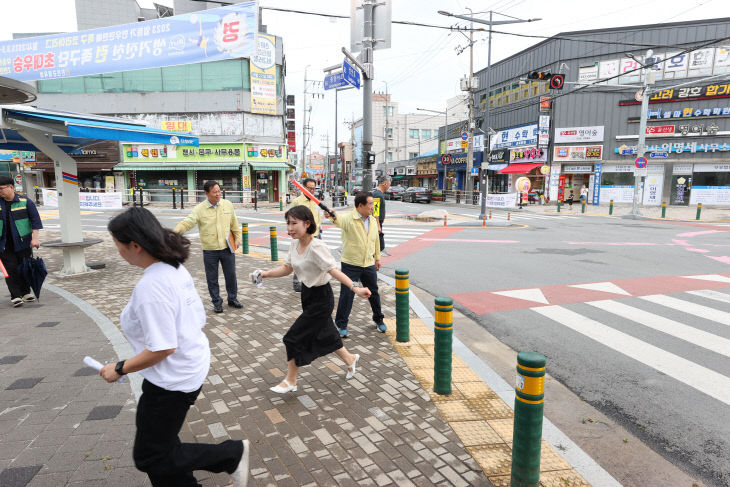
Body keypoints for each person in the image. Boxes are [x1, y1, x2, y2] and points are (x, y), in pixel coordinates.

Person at [100, 207, 249, 487]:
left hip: (172, 378)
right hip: (187, 365)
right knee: (162, 449)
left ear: (135, 245)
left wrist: (120, 368)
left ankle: (231, 455)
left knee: (150, 456)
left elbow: (162, 348)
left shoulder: (152, 286)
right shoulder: (171, 266)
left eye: (118, 245)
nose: (118, 251)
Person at [257, 205, 369, 393]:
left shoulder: (317, 247)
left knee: (292, 338)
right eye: (288, 223)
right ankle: (350, 359)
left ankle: (291, 380)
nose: (290, 228)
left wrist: (355, 288)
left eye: (294, 223)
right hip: (307, 295)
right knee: (327, 334)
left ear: (307, 223)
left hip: (322, 298)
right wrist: (265, 274)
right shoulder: (294, 244)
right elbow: (287, 268)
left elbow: (333, 271)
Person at [174, 180, 242, 313]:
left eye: (219, 191)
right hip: (210, 250)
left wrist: (238, 239)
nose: (218, 194)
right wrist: (173, 235)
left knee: (231, 275)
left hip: (227, 248)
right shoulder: (199, 209)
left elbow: (234, 224)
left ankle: (232, 298)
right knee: (212, 278)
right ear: (207, 193)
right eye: (214, 192)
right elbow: (187, 223)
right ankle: (217, 302)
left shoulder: (227, 205)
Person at [325, 192, 386, 338]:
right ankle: (341, 324)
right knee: (347, 294)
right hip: (351, 263)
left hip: (368, 263)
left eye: (373, 203)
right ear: (360, 205)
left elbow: (376, 240)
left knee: (374, 293)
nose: (372, 207)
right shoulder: (349, 219)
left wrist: (377, 258)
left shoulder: (371, 220)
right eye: (370, 204)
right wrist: (332, 215)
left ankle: (379, 319)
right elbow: (338, 220)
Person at [0, 176, 42, 307]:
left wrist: (35, 238)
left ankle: (26, 292)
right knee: (10, 269)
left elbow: (35, 221)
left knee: (23, 268)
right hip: (4, 244)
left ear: (11, 187)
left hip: (23, 242)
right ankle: (15, 295)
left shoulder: (25, 202)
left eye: (1, 189)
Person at [289, 178, 322, 292]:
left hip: (315, 235)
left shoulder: (316, 201)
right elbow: (291, 220)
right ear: (303, 187)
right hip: (301, 236)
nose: (312, 190)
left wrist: (318, 232)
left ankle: (311, 282)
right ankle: (297, 283)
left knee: (314, 260)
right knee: (300, 260)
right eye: (309, 188)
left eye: (313, 188)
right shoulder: (297, 202)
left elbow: (318, 218)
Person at [371, 175, 391, 257]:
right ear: (385, 184)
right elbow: (375, 211)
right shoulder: (378, 195)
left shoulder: (378, 193)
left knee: (377, 245)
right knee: (379, 246)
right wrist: (378, 225)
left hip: (377, 223)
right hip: (376, 223)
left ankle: (373, 263)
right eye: (389, 184)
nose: (390, 186)